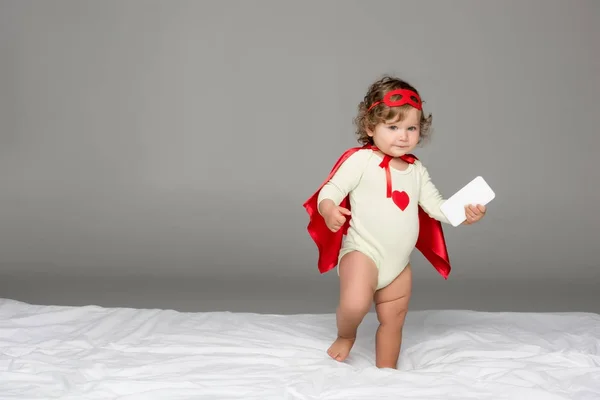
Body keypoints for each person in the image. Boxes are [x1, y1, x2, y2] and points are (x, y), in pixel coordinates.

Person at [303, 76, 487, 369]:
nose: (403, 136)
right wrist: (328, 209)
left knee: (394, 318)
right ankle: (346, 334)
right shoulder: (361, 161)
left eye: (411, 128)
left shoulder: (416, 171)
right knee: (355, 304)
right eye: (393, 127)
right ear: (369, 127)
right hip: (363, 251)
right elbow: (332, 189)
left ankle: (386, 374)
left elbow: (438, 208)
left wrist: (465, 213)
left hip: (398, 263)